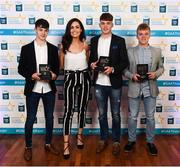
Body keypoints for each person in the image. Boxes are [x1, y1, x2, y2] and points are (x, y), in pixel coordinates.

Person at [18, 18, 59, 161]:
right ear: (35, 29)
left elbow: (56, 71)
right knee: (30, 119)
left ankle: (48, 143)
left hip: (48, 89)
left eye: (46, 30)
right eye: (41, 29)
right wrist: (32, 75)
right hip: (33, 89)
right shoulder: (26, 48)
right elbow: (20, 69)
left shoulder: (53, 49)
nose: (43, 32)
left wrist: (53, 75)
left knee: (49, 118)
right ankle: (28, 147)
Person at [89, 13, 129, 156]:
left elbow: (125, 62)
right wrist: (92, 65)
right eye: (103, 23)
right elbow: (92, 60)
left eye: (108, 23)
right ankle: (103, 139)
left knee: (116, 114)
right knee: (101, 114)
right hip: (99, 83)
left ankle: (116, 141)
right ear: (99, 25)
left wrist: (113, 69)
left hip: (114, 83)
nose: (105, 26)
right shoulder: (94, 41)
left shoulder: (120, 41)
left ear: (112, 25)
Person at [123, 23, 164, 156]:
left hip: (150, 88)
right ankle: (131, 140)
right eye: (141, 34)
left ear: (150, 35)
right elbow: (124, 69)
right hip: (135, 87)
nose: (143, 36)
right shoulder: (129, 51)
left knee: (150, 117)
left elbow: (161, 67)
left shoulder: (157, 51)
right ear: (137, 35)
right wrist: (131, 75)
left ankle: (150, 142)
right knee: (132, 117)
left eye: (146, 34)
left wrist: (155, 74)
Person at [60, 18, 91, 159]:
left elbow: (88, 62)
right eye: (72, 27)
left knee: (83, 108)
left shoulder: (85, 46)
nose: (74, 29)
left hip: (84, 77)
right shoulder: (63, 47)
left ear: (81, 29)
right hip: (69, 77)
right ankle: (66, 144)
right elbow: (61, 67)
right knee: (68, 110)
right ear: (69, 29)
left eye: (77, 27)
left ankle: (79, 136)